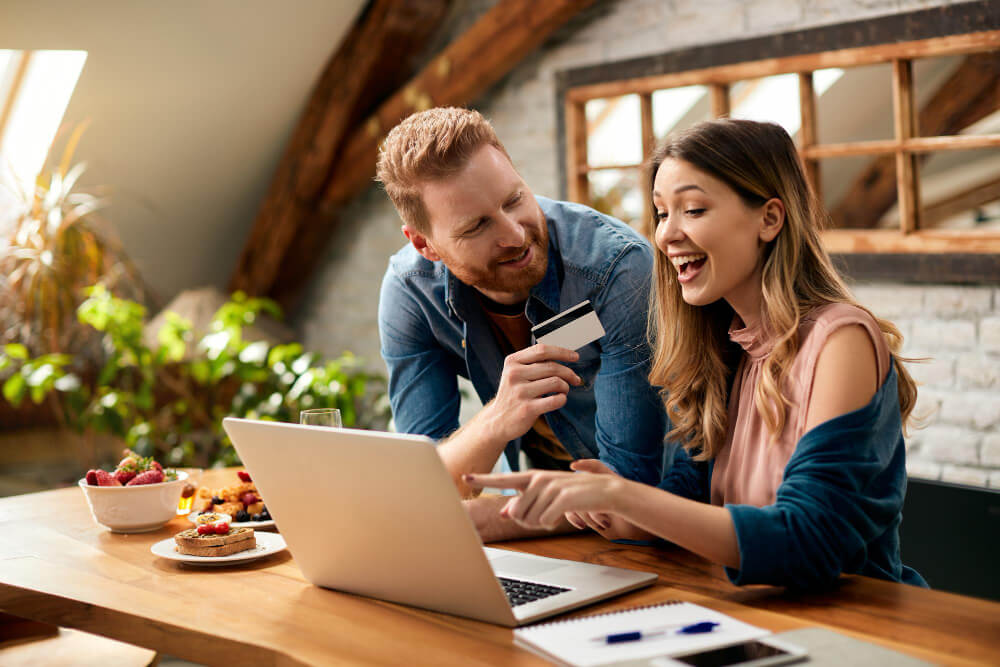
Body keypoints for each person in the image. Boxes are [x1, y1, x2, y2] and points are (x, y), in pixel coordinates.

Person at [466, 119, 927, 589]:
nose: (666, 235)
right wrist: (607, 508)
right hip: (757, 616)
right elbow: (690, 499)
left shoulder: (840, 339)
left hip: (859, 626)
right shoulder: (726, 349)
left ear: (770, 219)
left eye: (693, 209)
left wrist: (625, 497)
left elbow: (810, 540)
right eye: (662, 213)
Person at [375, 107, 669, 541]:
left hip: (663, 530)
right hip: (552, 527)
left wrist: (477, 522)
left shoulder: (615, 269)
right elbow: (425, 480)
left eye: (514, 199)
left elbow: (628, 490)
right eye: (477, 226)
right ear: (424, 244)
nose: (514, 235)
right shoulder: (412, 291)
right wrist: (498, 419)